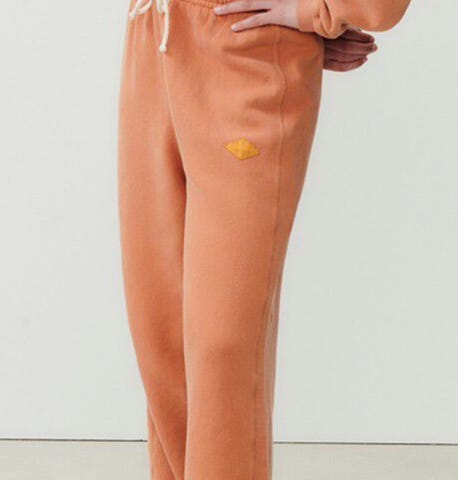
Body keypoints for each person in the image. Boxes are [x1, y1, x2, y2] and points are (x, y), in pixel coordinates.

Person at [118, 0, 411, 479]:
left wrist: (317, 11)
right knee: (161, 334)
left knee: (221, 343)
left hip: (244, 54)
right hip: (153, 37)